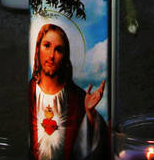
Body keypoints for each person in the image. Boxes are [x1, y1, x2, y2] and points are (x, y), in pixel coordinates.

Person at [29, 23, 108, 160]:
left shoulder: (77, 98)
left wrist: (90, 113)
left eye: (58, 50)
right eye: (47, 46)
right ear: (37, 49)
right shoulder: (28, 93)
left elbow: (92, 146)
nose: (51, 55)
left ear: (65, 57)